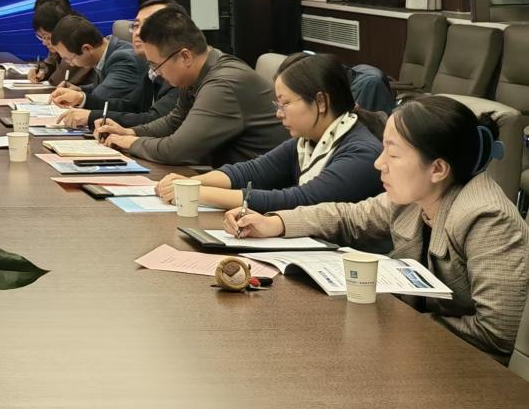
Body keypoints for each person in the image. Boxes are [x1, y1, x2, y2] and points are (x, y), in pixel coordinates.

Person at [227, 95, 529, 360]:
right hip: (418, 353)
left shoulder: (486, 218)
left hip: (469, 372)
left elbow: (497, 333)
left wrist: (399, 325)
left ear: (437, 169)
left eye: (393, 154)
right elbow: (347, 217)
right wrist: (274, 223)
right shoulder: (417, 196)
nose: (378, 163)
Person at [154, 53, 385, 212]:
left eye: (285, 103)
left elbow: (299, 201)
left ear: (321, 102)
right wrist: (191, 182)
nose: (279, 114)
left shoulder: (361, 154)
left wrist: (194, 193)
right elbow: (250, 171)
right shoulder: (307, 141)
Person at [94, 8, 286, 166]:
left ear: (185, 56)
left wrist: (131, 143)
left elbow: (177, 150)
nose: (156, 73)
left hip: (256, 188)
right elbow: (174, 121)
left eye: (156, 65)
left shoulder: (223, 84)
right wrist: (130, 132)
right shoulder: (198, 71)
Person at [54, 0, 181, 128]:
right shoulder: (153, 69)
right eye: (136, 26)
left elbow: (156, 121)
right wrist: (82, 99)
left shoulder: (179, 72)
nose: (138, 33)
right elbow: (131, 106)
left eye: (149, 25)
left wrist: (91, 116)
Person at [47, 14, 141, 106]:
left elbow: (101, 97)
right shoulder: (107, 52)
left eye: (69, 59)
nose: (71, 64)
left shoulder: (123, 59)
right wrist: (79, 90)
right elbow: (102, 86)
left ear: (87, 49)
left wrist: (80, 97)